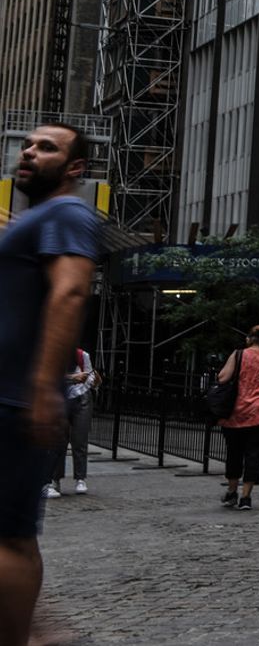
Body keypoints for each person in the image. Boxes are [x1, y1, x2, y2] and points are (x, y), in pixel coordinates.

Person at [0, 122, 101, 646]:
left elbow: (70, 293)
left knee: (10, 537)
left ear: (74, 169)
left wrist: (43, 388)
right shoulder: (37, 218)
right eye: (28, 144)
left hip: (15, 400)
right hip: (10, 396)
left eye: (46, 148)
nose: (29, 152)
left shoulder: (68, 212)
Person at [218, 324, 259, 512]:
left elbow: (222, 378)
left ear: (248, 339)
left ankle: (232, 492)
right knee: (255, 454)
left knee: (234, 452)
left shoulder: (238, 354)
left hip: (237, 411)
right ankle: (246, 497)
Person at [44, 348, 96, 499]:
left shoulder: (82, 355)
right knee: (59, 440)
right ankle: (54, 480)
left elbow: (91, 377)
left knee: (80, 439)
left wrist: (91, 380)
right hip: (61, 398)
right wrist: (73, 378)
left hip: (82, 397)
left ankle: (80, 479)